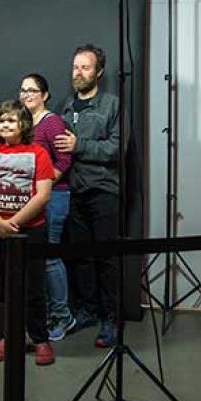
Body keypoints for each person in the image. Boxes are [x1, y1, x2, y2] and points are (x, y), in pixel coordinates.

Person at [0, 101, 55, 366]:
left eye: (11, 120)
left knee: (34, 287)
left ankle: (40, 339)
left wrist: (14, 223)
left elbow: (43, 195)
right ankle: (10, 336)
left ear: (23, 124)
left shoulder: (38, 153)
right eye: (1, 121)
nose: (5, 125)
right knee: (2, 287)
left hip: (30, 231)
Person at [54, 44, 120, 349]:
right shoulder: (66, 106)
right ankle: (88, 312)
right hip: (72, 191)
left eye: (85, 67)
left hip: (103, 190)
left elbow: (116, 149)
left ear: (99, 72)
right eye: (75, 67)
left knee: (106, 257)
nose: (78, 72)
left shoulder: (111, 104)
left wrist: (79, 145)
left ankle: (111, 319)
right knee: (80, 257)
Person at [18, 73, 75, 341]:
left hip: (54, 198)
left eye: (32, 90)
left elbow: (64, 161)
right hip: (32, 200)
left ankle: (63, 316)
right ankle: (47, 314)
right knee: (38, 258)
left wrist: (44, 185)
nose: (27, 94)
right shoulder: (26, 124)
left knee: (50, 257)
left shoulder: (52, 123)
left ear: (45, 95)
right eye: (23, 90)